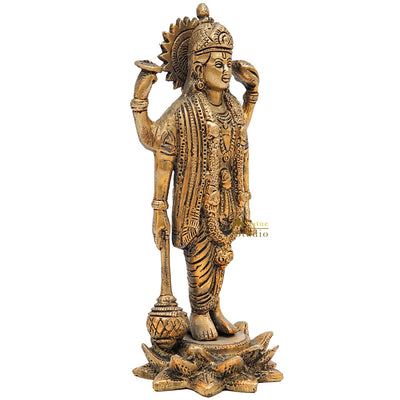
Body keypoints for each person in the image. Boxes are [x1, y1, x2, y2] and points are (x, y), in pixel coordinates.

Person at [131, 4, 259, 341]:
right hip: (195, 201)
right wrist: (140, 100)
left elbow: (240, 130)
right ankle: (199, 310)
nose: (226, 72)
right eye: (219, 64)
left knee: (221, 256)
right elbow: (156, 143)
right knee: (199, 252)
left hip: (226, 197)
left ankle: (214, 307)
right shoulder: (184, 111)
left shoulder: (231, 106)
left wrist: (252, 94)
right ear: (199, 69)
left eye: (228, 63)